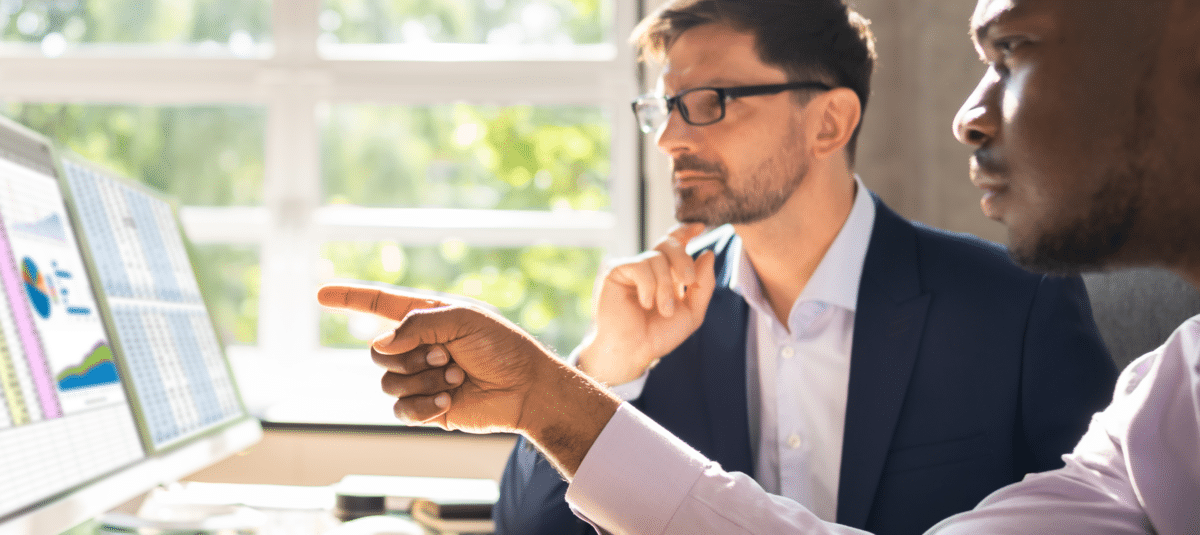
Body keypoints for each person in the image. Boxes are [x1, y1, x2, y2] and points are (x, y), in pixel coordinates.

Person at [317, 0, 1200, 532]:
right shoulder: (652, 320)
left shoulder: (1014, 306)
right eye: (662, 108)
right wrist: (597, 374)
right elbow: (527, 530)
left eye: (709, 102)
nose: (669, 136)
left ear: (828, 122)